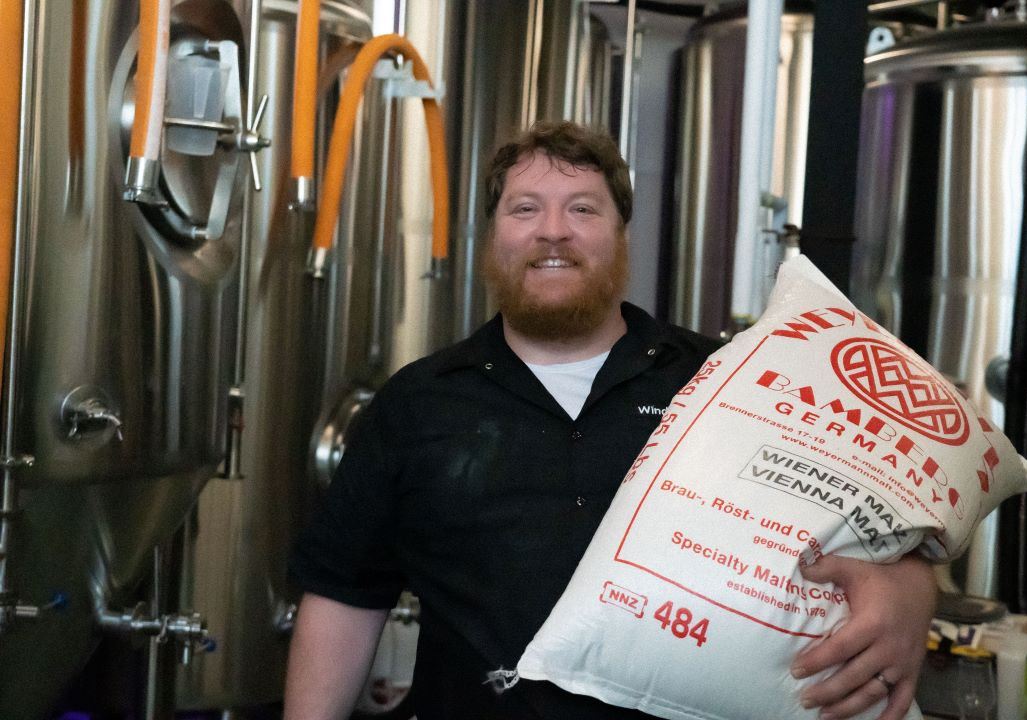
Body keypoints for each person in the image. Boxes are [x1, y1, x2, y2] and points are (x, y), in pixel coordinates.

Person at [284, 121, 937, 720]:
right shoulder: (419, 403)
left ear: (621, 234)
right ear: (493, 235)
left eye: (583, 209)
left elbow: (856, 518)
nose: (553, 231)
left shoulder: (725, 381)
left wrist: (909, 589)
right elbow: (347, 592)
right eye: (525, 208)